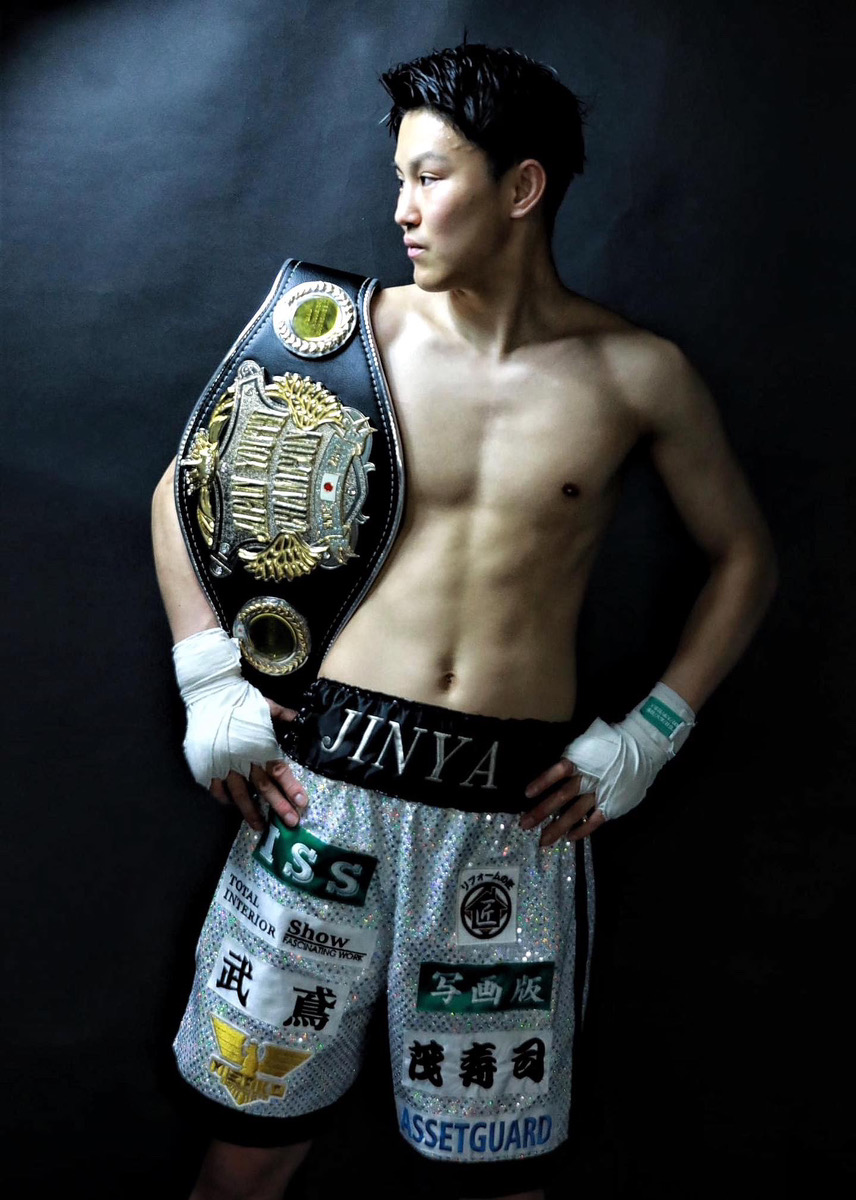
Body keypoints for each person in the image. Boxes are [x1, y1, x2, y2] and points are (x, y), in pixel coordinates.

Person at [151, 42, 778, 1200]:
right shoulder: (345, 338)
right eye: (398, 177)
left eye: (430, 178)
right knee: (245, 1154)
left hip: (508, 819)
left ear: (521, 187)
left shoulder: (635, 373)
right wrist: (207, 679)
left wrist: (654, 730)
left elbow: (743, 556)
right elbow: (182, 491)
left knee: (495, 1178)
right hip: (323, 791)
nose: (401, 208)